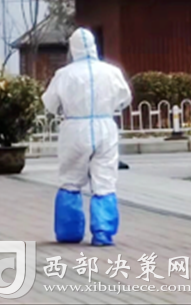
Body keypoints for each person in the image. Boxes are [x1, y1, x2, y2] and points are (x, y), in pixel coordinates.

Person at [42, 28, 132, 246]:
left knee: (70, 180)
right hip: (105, 126)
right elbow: (125, 98)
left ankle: (69, 232)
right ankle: (103, 232)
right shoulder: (111, 72)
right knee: (105, 180)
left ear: (73, 48)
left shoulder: (64, 74)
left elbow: (50, 103)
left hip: (75, 128)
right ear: (94, 46)